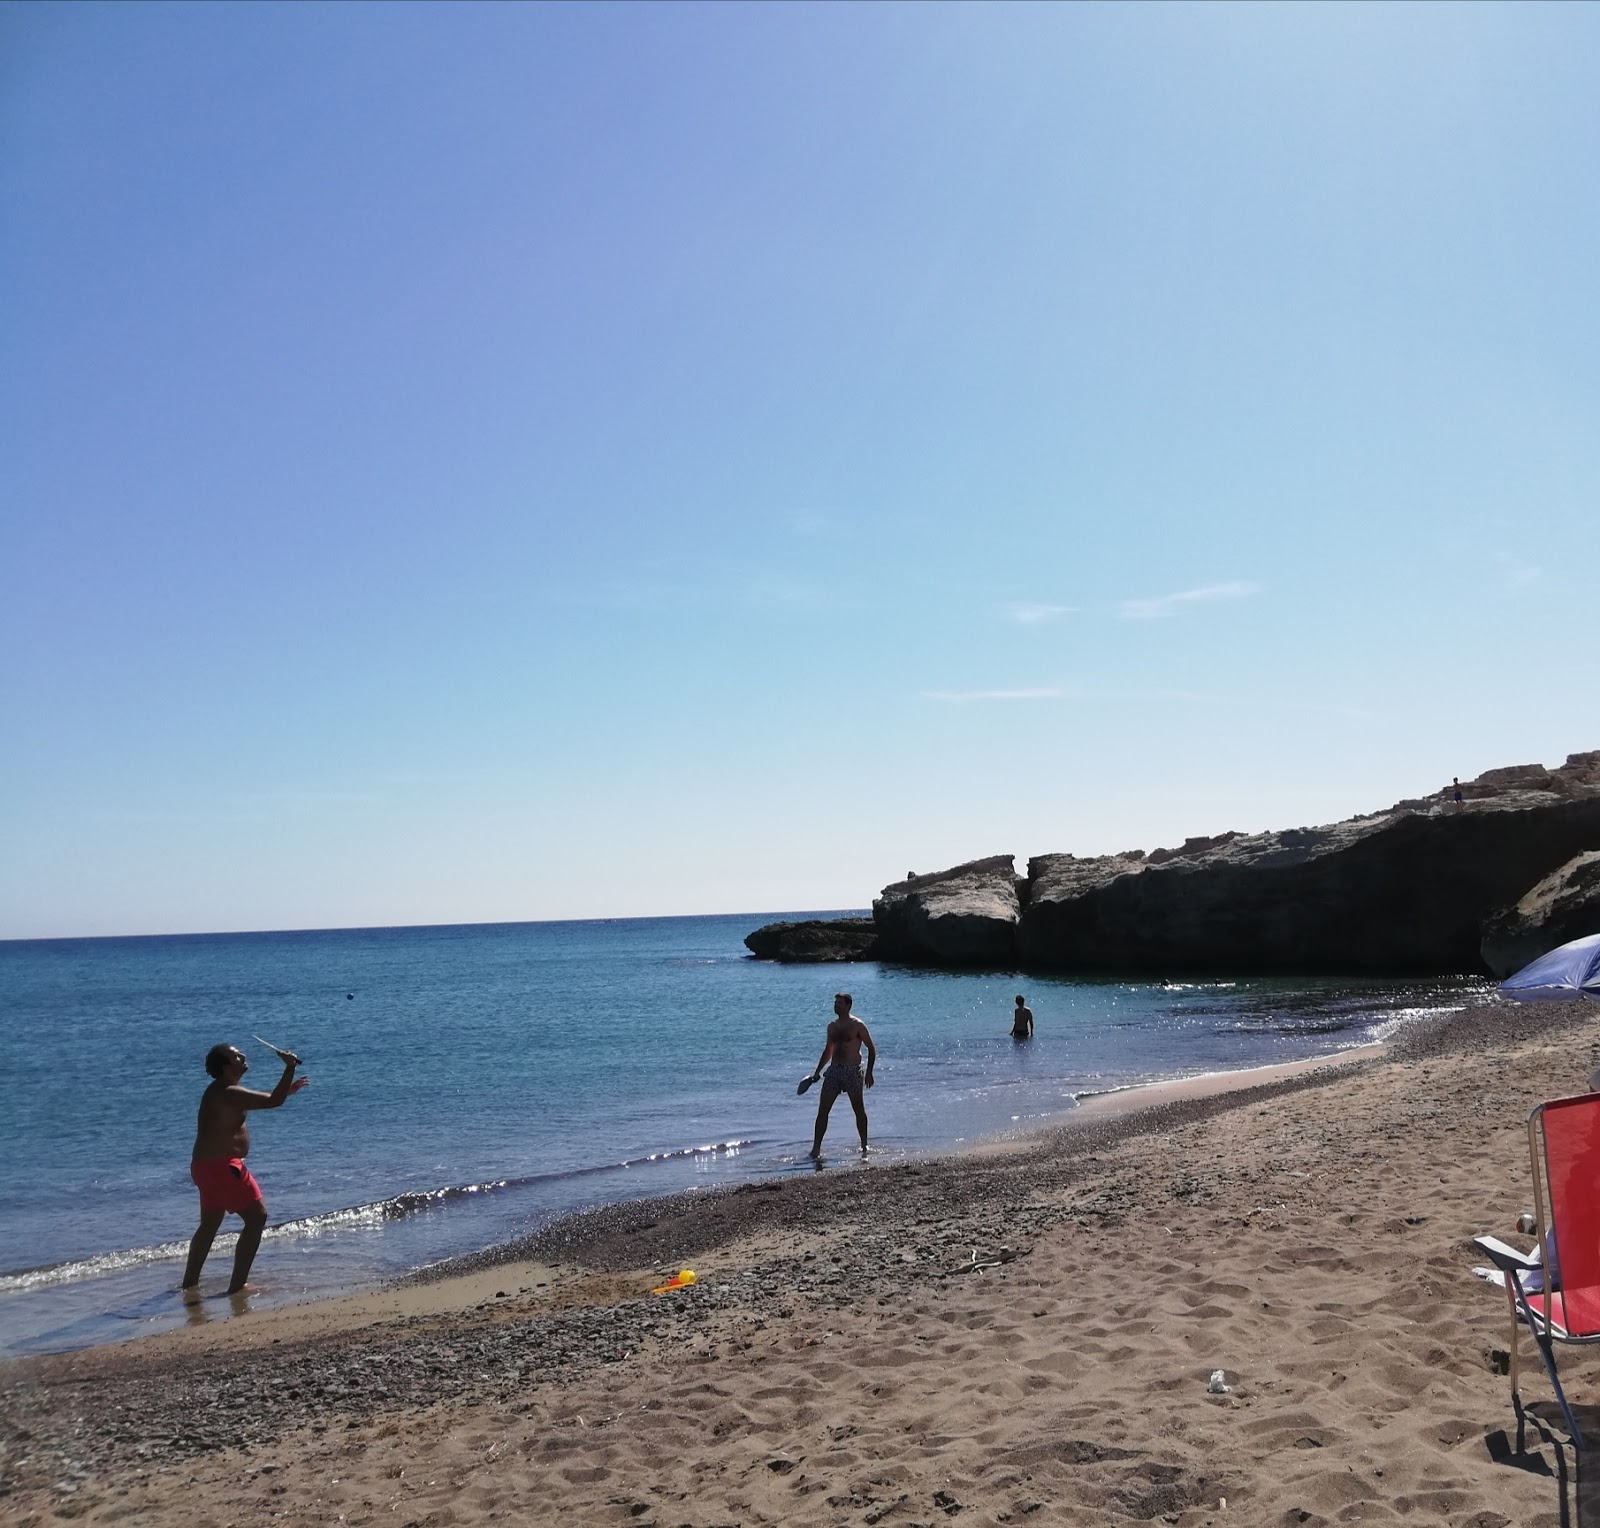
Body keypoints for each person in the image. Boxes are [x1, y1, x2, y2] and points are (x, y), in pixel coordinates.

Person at [182, 1042, 308, 1296]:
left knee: (209, 1225)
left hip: (203, 1167)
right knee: (257, 1217)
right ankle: (237, 1285)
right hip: (223, 1167)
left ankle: (189, 1283)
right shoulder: (228, 1092)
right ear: (226, 1067)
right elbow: (273, 1101)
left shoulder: (221, 1091)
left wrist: (286, 1091)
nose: (243, 1057)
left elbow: (270, 1099)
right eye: (236, 1056)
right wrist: (289, 1068)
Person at [807, 993, 876, 1159]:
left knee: (858, 1109)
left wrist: (869, 1073)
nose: (836, 1006)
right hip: (834, 1070)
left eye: (839, 1003)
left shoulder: (858, 1025)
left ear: (848, 1006)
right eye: (835, 1003)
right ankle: (816, 1149)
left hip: (852, 1070)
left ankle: (864, 1144)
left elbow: (871, 1049)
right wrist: (817, 1072)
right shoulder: (832, 1026)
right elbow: (828, 1050)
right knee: (823, 1110)